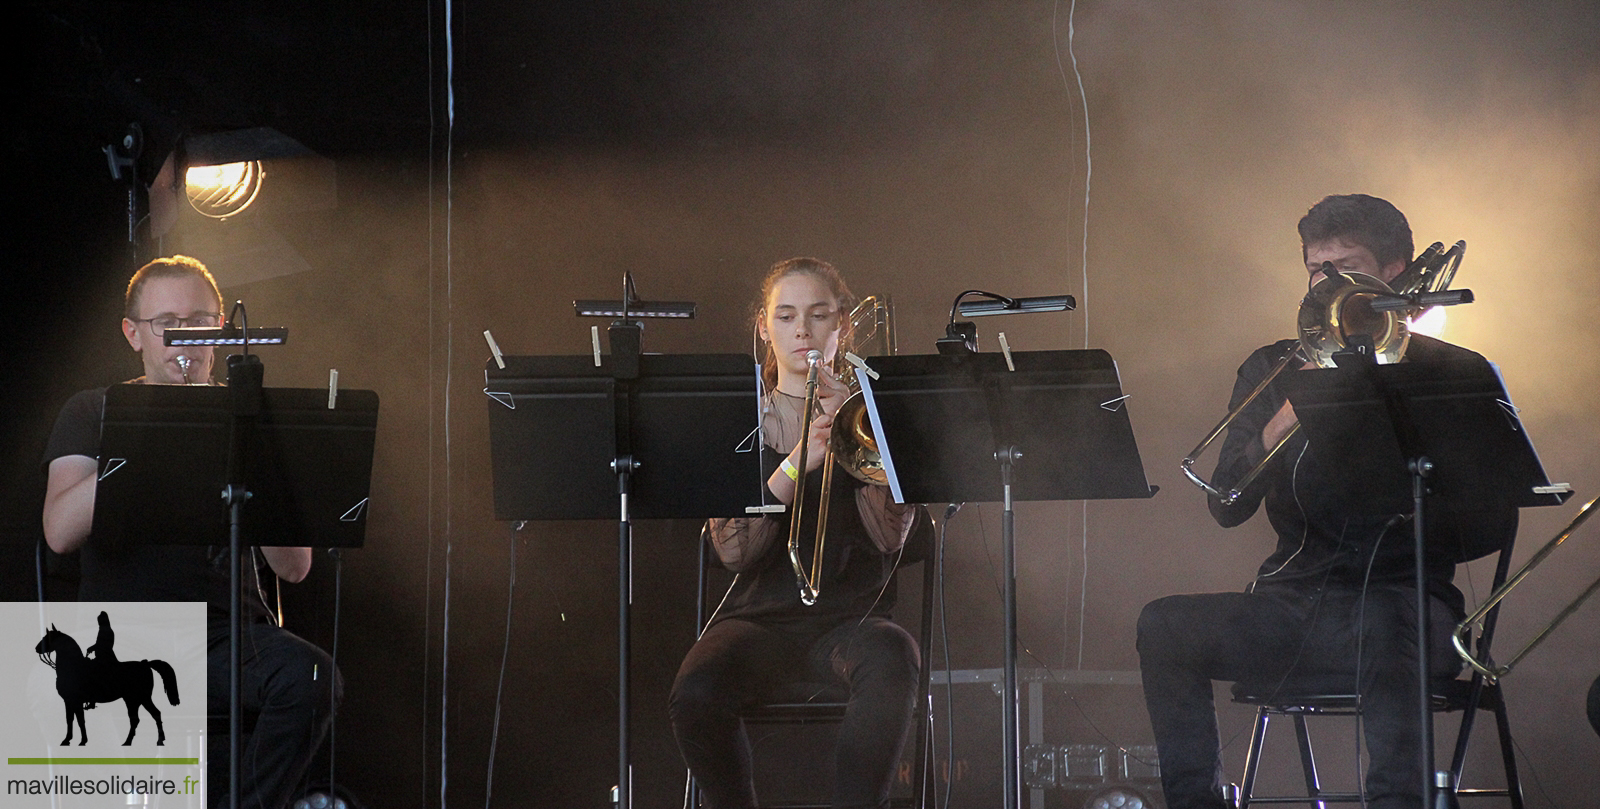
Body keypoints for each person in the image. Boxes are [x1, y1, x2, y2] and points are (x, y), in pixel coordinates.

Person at [1136, 195, 1518, 809]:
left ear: (1394, 270)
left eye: (1350, 265)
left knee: (1386, 622)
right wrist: (1292, 408)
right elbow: (1226, 503)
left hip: (1408, 606)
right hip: (1295, 605)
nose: (1333, 282)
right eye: (1320, 271)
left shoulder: (1454, 370)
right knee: (1163, 624)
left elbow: (1489, 526)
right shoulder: (1271, 367)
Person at [42, 255, 340, 809]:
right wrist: (149, 427)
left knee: (313, 677)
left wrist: (255, 454)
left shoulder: (247, 416)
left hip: (226, 638)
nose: (188, 341)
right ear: (134, 335)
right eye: (170, 326)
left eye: (201, 325)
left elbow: (295, 567)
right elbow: (59, 531)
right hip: (128, 633)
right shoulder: (94, 410)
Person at [669, 257, 926, 809]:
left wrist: (865, 441)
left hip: (851, 621)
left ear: (845, 326)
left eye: (818, 315)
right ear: (765, 327)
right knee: (695, 690)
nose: (803, 330)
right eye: (786, 316)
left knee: (894, 657)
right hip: (757, 623)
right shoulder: (740, 418)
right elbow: (735, 552)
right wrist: (797, 460)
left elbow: (891, 540)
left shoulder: (877, 415)